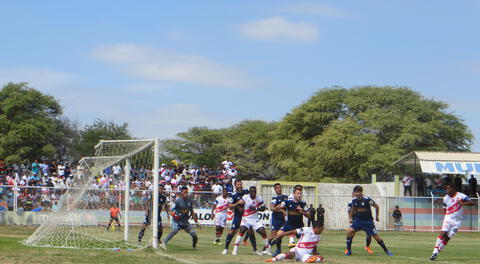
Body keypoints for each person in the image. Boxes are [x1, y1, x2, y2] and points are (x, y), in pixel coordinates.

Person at [430, 182, 475, 261]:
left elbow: (472, 202)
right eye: (446, 189)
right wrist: (446, 217)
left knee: (447, 238)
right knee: (443, 233)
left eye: (448, 188)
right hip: (448, 218)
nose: (447, 190)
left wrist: (463, 203)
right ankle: (434, 251)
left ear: (453, 189)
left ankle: (437, 252)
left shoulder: (461, 196)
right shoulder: (445, 198)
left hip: (457, 221)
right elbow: (444, 208)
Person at [345, 185, 392, 256]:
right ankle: (349, 251)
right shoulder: (354, 200)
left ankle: (387, 251)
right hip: (358, 221)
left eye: (357, 192)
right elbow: (353, 209)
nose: (355, 194)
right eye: (355, 193)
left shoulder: (367, 200)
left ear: (361, 192)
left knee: (376, 237)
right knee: (349, 231)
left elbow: (377, 206)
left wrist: (377, 217)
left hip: (368, 221)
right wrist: (350, 218)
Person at [231, 186, 271, 256]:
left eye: (254, 192)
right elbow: (240, 204)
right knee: (242, 230)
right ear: (249, 192)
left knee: (263, 231)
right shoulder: (245, 197)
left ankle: (267, 250)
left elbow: (263, 208)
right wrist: (240, 209)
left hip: (255, 220)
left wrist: (257, 208)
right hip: (246, 218)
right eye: (252, 192)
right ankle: (235, 250)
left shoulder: (259, 198)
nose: (253, 193)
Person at [223, 180, 257, 255]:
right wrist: (238, 203)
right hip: (238, 216)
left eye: (240, 184)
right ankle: (226, 249)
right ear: (235, 186)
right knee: (232, 231)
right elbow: (230, 207)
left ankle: (255, 250)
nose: (240, 186)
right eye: (238, 185)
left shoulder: (246, 192)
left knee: (250, 232)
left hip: (247, 216)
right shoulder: (233, 195)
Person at [270, 183, 288, 256]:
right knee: (273, 234)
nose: (279, 189)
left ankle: (277, 248)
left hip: (283, 219)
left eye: (280, 188)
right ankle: (266, 247)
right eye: (277, 188)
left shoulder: (285, 197)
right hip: (276, 219)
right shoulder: (274, 198)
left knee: (281, 234)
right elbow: (272, 208)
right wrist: (280, 209)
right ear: (275, 189)